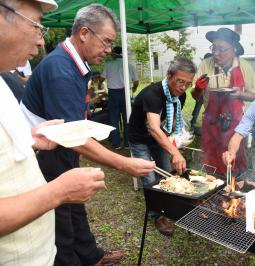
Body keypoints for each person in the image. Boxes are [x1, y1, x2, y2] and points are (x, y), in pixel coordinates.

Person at [20, 4, 155, 266]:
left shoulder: (75, 61)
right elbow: (71, 136)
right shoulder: (60, 69)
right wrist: (125, 163)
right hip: (43, 152)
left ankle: (91, 256)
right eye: (105, 42)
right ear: (84, 33)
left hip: (60, 146)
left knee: (75, 204)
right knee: (60, 213)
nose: (107, 50)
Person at [0, 0, 106, 265]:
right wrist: (57, 192)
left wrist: (30, 139)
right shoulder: (59, 69)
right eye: (36, 26)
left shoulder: (4, 80)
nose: (40, 41)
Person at [128, 57, 196, 236]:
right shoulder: (153, 94)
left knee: (167, 172)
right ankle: (157, 216)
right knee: (150, 179)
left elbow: (170, 122)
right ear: (169, 75)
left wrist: (177, 142)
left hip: (159, 138)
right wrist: (174, 152)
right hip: (140, 138)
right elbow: (153, 127)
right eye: (180, 81)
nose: (183, 87)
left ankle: (169, 208)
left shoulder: (181, 95)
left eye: (188, 84)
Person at [191, 27, 255, 175]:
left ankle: (235, 182)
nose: (215, 53)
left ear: (233, 49)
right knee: (210, 157)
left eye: (221, 49)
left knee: (235, 156)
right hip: (211, 122)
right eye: (213, 48)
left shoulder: (244, 66)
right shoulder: (205, 65)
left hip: (236, 124)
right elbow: (196, 97)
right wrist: (198, 88)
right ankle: (211, 184)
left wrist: (240, 93)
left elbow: (253, 95)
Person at [100, 46, 139, 149]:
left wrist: (101, 82)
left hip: (113, 93)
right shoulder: (129, 65)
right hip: (125, 92)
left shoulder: (108, 65)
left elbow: (101, 79)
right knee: (127, 118)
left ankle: (116, 143)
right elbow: (136, 82)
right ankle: (127, 143)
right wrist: (134, 89)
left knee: (114, 118)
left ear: (114, 54)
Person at [190, 52, 212, 133]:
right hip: (201, 93)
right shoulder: (202, 68)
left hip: (209, 96)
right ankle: (193, 121)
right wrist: (198, 88)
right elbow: (194, 86)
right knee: (198, 105)